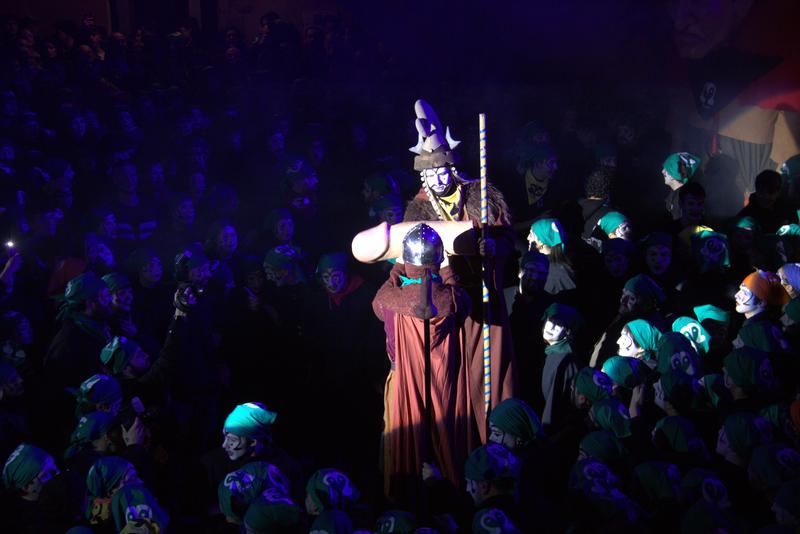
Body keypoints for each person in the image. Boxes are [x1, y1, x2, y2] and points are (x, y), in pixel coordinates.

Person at [372, 223, 471, 503]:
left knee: (406, 439)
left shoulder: (391, 299)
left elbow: (379, 301)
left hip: (403, 382)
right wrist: (449, 269)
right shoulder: (449, 297)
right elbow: (459, 298)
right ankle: (449, 499)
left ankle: (404, 499)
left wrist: (397, 269)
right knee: (443, 439)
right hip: (442, 381)